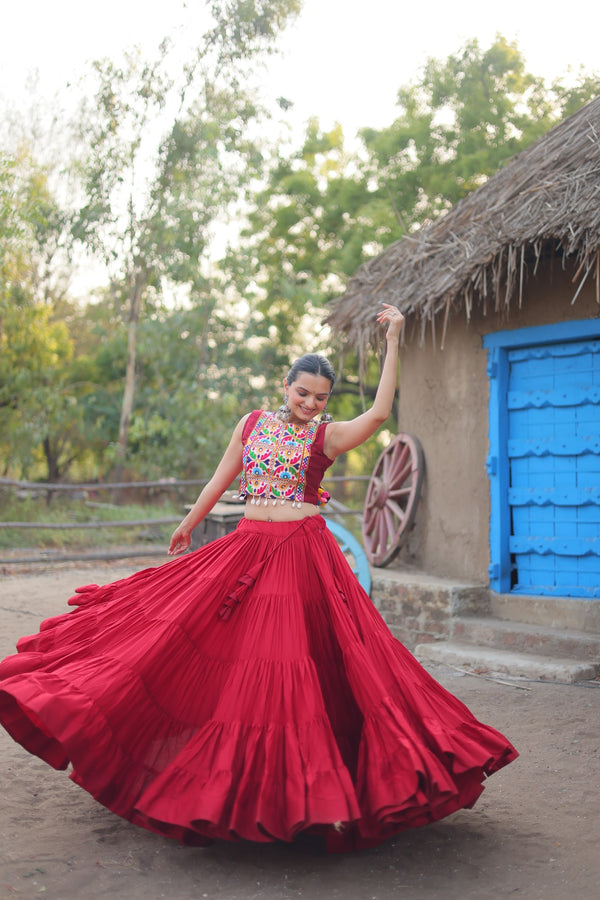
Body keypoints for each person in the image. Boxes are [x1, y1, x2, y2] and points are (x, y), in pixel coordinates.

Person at [0, 304, 517, 853]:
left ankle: (299, 796)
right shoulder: (250, 424)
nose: (310, 403)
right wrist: (188, 523)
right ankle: (233, 790)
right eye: (303, 393)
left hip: (302, 556)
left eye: (320, 397)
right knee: (192, 645)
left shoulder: (325, 437)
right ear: (286, 385)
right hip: (247, 548)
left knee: (294, 665)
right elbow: (223, 476)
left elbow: (379, 414)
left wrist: (394, 341)